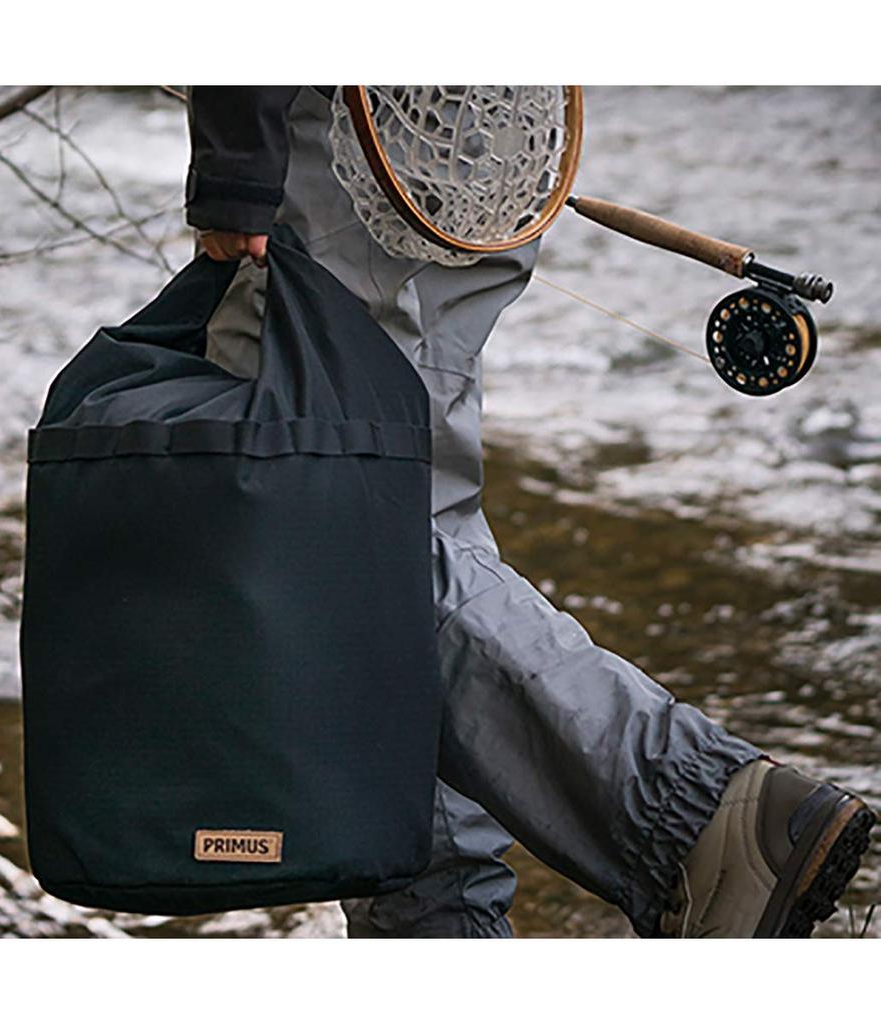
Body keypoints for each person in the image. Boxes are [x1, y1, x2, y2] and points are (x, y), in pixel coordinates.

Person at [183, 85, 876, 938]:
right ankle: (441, 927)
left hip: (353, 140)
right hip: (494, 129)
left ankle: (692, 808)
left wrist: (234, 168)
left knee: (298, 508)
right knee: (418, 521)